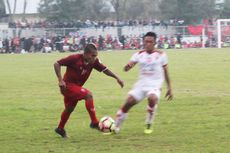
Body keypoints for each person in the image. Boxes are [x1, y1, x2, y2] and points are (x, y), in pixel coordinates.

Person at [54, 43, 124, 138]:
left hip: (76, 88)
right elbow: (57, 63)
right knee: (88, 95)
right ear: (86, 54)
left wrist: (117, 77)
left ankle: (60, 128)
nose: (94, 58)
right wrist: (60, 80)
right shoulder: (74, 58)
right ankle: (94, 122)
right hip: (67, 86)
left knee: (69, 108)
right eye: (93, 55)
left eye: (96, 56)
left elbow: (105, 70)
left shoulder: (94, 62)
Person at [114, 32, 173, 134]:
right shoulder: (138, 54)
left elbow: (166, 71)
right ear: (143, 42)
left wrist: (169, 88)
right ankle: (116, 127)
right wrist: (127, 67)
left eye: (151, 42)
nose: (148, 44)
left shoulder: (161, 55)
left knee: (152, 98)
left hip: (155, 85)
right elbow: (130, 65)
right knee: (128, 103)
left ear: (155, 42)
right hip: (141, 85)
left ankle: (149, 122)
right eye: (146, 41)